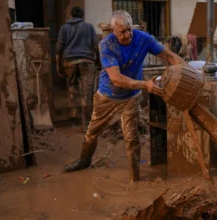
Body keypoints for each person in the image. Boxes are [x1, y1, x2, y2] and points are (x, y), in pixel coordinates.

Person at [63, 10, 184, 182]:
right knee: (92, 133)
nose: (127, 35)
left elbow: (169, 56)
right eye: (122, 32)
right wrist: (145, 85)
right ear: (113, 30)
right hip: (106, 95)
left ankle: (134, 178)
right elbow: (117, 79)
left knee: (132, 139)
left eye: (129, 30)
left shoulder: (144, 39)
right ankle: (84, 160)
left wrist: (188, 71)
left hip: (130, 97)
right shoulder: (106, 45)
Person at [56, 6, 100, 132]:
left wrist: (58, 66)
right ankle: (85, 124)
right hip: (87, 62)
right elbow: (97, 46)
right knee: (87, 93)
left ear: (71, 16)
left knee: (72, 85)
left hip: (69, 62)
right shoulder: (89, 27)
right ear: (82, 16)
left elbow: (59, 48)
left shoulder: (64, 28)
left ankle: (74, 109)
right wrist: (98, 61)